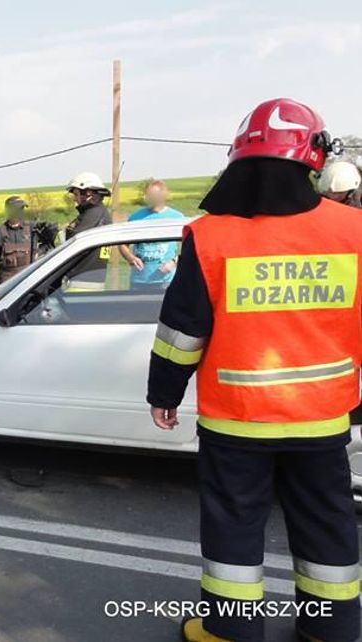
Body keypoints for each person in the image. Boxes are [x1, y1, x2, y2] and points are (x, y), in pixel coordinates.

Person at [147, 98, 361, 642]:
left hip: (236, 422)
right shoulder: (353, 232)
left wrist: (164, 392)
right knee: (327, 526)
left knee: (234, 530)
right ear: (313, 156)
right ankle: (331, 627)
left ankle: (231, 631)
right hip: (322, 420)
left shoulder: (211, 235)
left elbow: (182, 329)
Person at [120, 180, 187, 290]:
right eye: (147, 195)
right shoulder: (135, 218)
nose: (148, 198)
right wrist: (130, 258)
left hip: (166, 281)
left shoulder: (177, 218)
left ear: (163, 196)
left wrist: (174, 262)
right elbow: (122, 244)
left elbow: (190, 246)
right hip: (138, 281)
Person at [64, 172, 113, 289]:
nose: (75, 199)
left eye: (76, 194)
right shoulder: (97, 214)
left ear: (88, 194)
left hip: (82, 283)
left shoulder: (93, 216)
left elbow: (73, 244)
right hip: (88, 281)